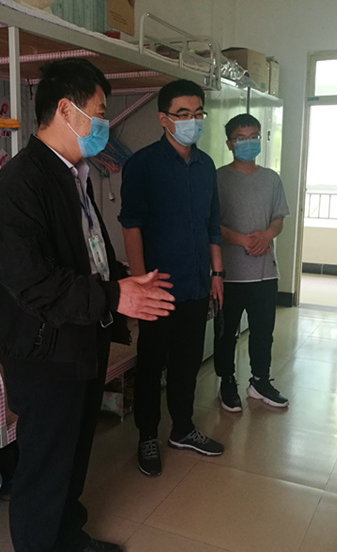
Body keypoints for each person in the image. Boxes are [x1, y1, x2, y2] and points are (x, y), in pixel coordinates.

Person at [0, 58, 175, 552]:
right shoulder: (20, 185)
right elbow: (33, 283)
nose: (104, 124)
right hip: (46, 354)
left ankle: (68, 537)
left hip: (80, 341)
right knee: (45, 466)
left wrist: (120, 280)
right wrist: (115, 297)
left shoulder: (73, 176)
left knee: (72, 456)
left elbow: (85, 252)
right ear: (66, 110)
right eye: (100, 112)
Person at [119, 79, 225, 477]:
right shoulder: (143, 165)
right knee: (151, 366)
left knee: (187, 363)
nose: (192, 121)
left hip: (196, 284)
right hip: (158, 288)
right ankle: (147, 434)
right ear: (163, 119)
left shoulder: (206, 165)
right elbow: (131, 226)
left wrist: (216, 273)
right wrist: (139, 284)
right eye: (183, 114)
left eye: (198, 113)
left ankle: (182, 428)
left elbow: (212, 225)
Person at [213, 113, 290, 412]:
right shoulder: (218, 178)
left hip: (264, 272)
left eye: (253, 137)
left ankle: (260, 381)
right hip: (228, 274)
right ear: (230, 144)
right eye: (241, 138)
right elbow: (210, 225)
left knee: (262, 332)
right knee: (226, 333)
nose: (248, 143)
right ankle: (227, 381)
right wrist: (241, 239)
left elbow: (278, 218)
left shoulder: (271, 178)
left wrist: (268, 234)